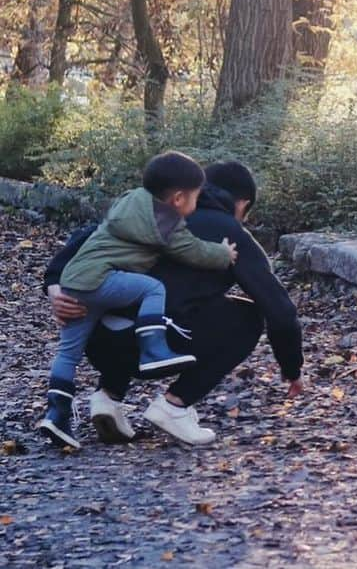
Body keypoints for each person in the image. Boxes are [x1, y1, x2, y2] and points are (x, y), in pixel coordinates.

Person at [44, 160, 304, 448]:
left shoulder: (147, 211)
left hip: (101, 341)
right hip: (156, 351)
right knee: (249, 316)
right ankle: (175, 406)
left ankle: (108, 398)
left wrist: (55, 287)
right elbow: (280, 312)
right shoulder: (233, 234)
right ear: (242, 203)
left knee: (133, 302)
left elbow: (86, 239)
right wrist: (291, 368)